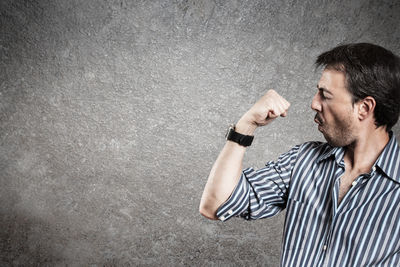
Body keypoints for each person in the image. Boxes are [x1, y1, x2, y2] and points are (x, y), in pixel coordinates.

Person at [199, 43, 400, 266]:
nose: (314, 103)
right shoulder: (304, 160)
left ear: (364, 107)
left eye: (325, 95)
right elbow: (215, 205)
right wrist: (246, 125)